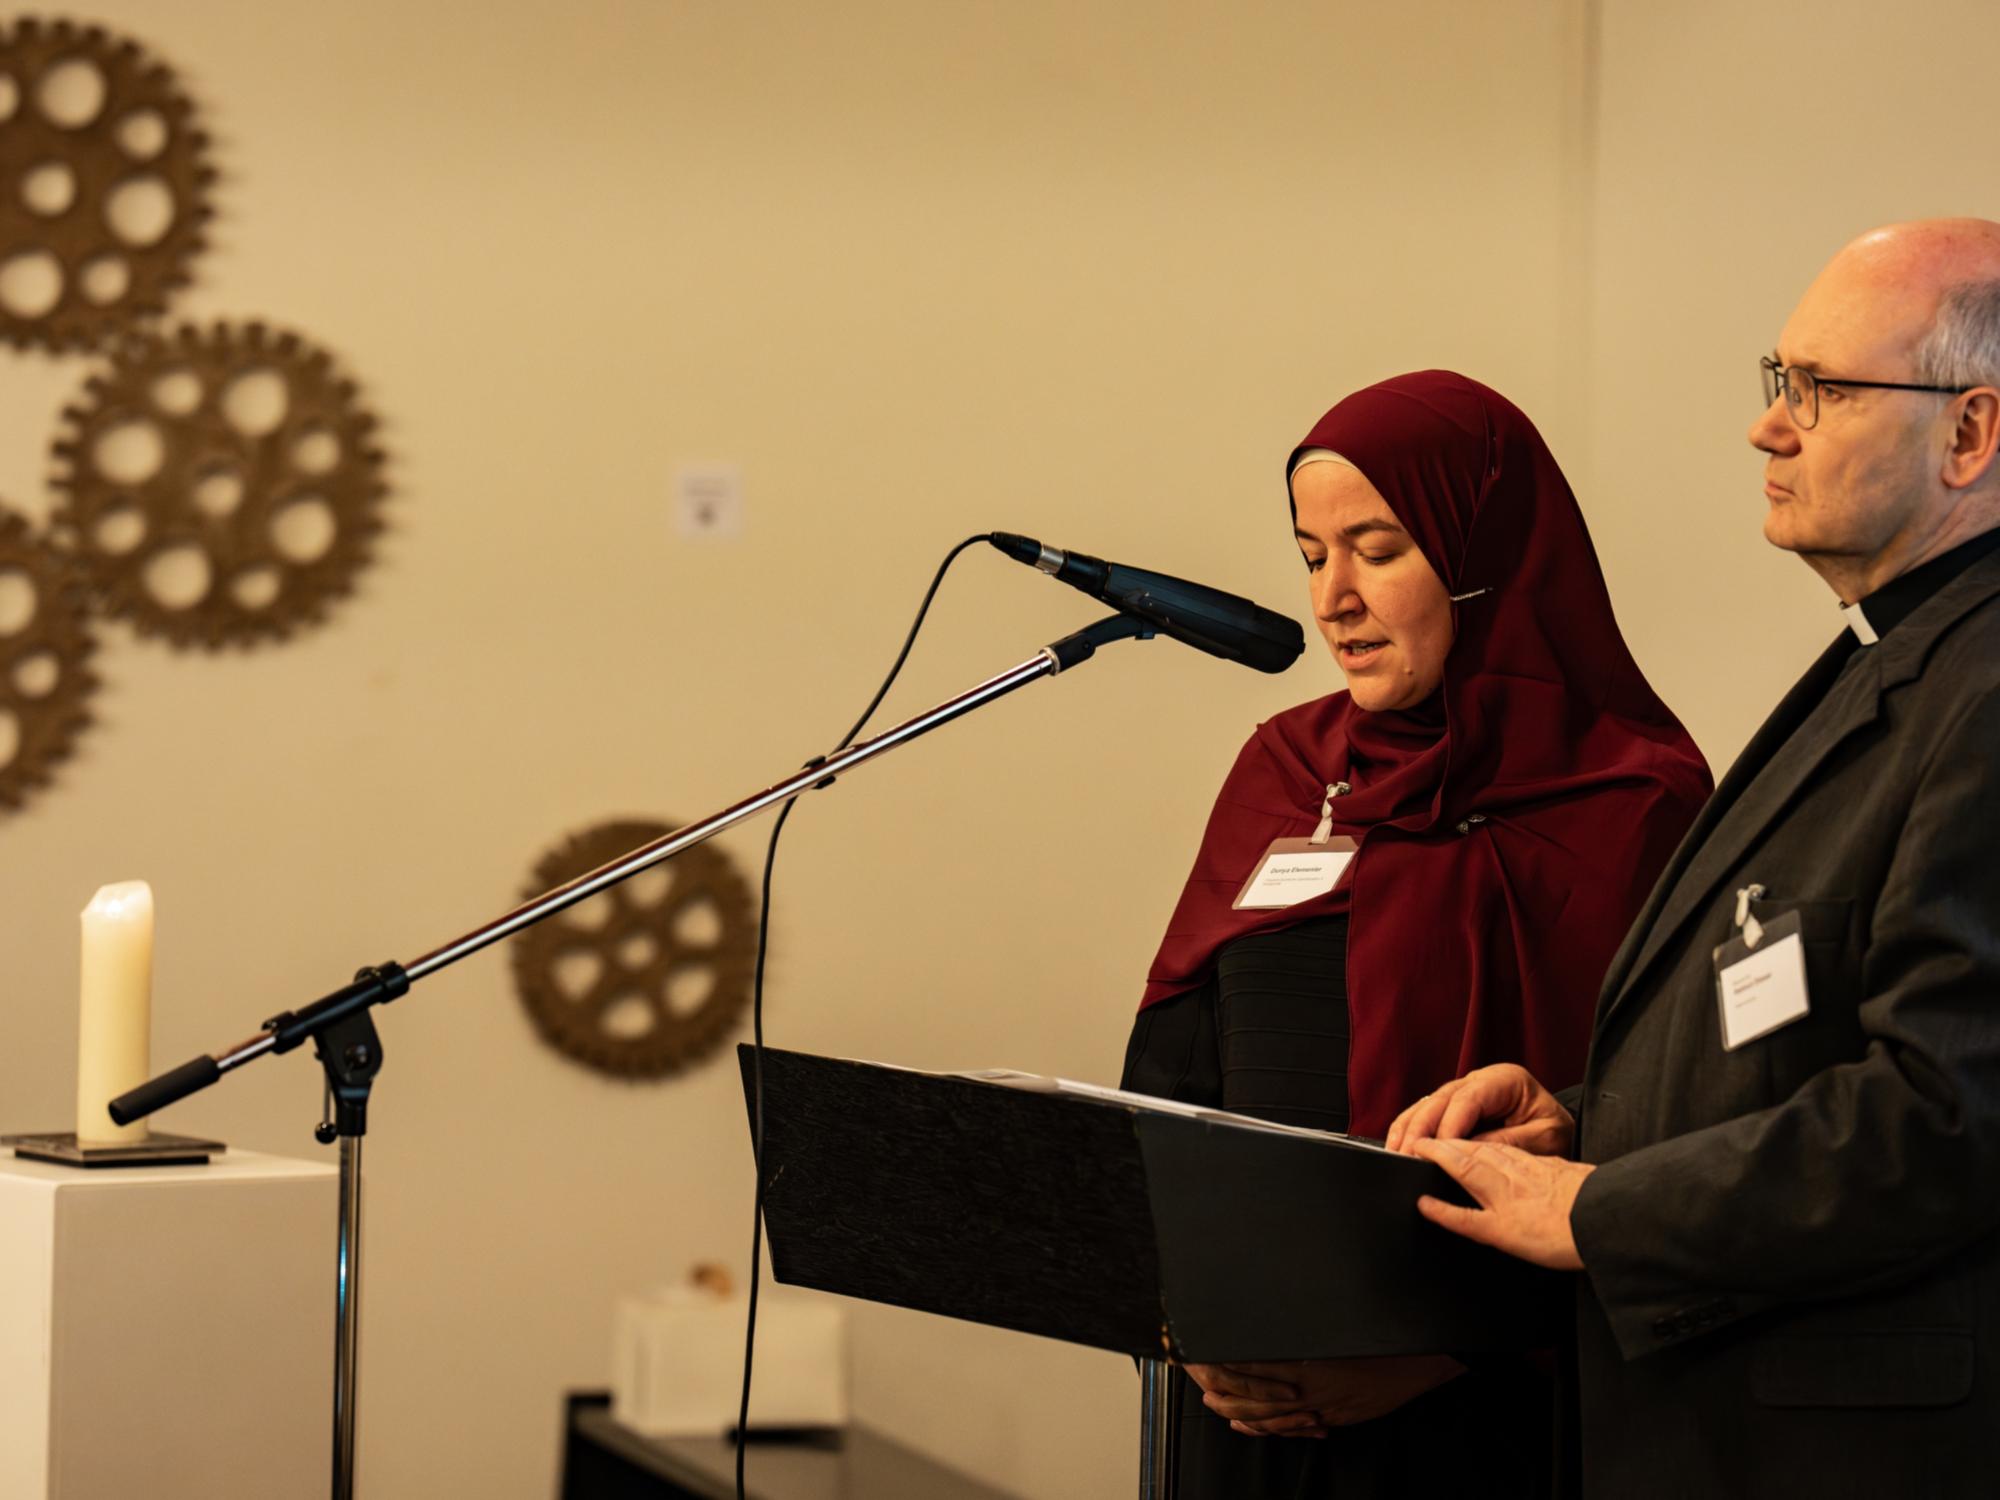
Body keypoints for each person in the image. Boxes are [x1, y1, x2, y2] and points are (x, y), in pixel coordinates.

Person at [1389, 219, 2000, 1497]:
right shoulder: (1899, 654)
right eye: (1774, 381)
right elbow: (1803, 1024)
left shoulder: (1983, 682)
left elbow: (1947, 1115)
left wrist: (1598, 1213)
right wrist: (1589, 1126)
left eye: (1818, 391)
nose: (1766, 428)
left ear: (1968, 434)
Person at [1121, 369, 1711, 1497]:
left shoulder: (1635, 803)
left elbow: (1661, 1146)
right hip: (1246, 1412)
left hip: (1486, 1414)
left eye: (1376, 549)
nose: (1331, 597)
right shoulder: (1283, 773)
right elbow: (1172, 1075)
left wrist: (1421, 1358)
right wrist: (1187, 1324)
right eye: (1308, 555)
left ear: (1487, 555)